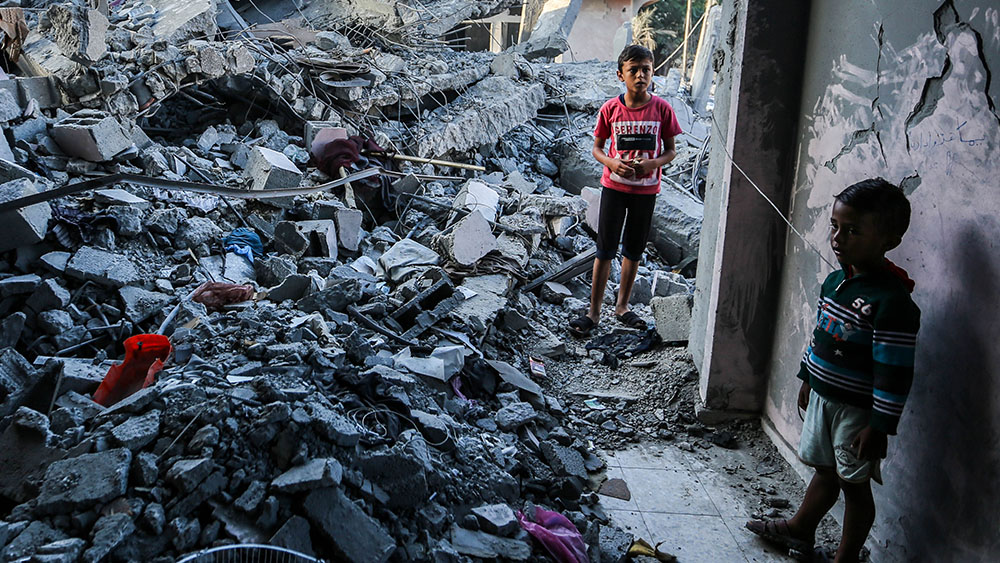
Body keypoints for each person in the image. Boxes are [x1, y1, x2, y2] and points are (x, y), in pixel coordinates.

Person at [746, 178, 920, 563]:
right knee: (824, 469)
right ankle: (801, 528)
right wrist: (808, 377)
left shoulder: (891, 303)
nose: (838, 238)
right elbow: (821, 336)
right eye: (835, 226)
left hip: (857, 414)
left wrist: (879, 426)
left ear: (889, 240)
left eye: (853, 230)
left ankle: (845, 557)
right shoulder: (836, 282)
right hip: (824, 400)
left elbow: (894, 374)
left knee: (854, 485)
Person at [568, 44, 682, 337]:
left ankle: (622, 307)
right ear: (621, 75)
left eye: (646, 70)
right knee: (605, 249)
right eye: (634, 70)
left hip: (646, 191)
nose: (640, 75)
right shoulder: (611, 109)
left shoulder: (662, 109)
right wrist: (612, 163)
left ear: (653, 73)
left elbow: (671, 150)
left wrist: (653, 164)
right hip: (614, 189)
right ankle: (593, 312)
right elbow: (597, 148)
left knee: (633, 249)